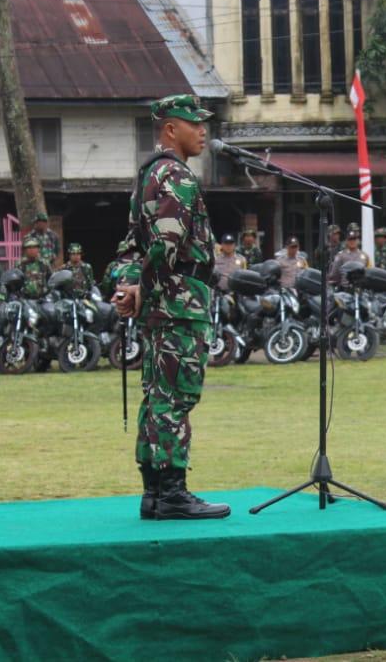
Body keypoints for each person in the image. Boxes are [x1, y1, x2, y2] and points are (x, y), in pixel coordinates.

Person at [113, 93, 229, 521]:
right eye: (194, 123)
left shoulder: (146, 176)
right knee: (175, 398)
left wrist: (128, 287)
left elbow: (130, 246)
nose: (203, 132)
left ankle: (155, 493)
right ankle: (174, 494)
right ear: (169, 129)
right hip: (179, 302)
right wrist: (142, 286)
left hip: (160, 304)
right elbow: (164, 245)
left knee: (157, 396)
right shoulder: (176, 176)